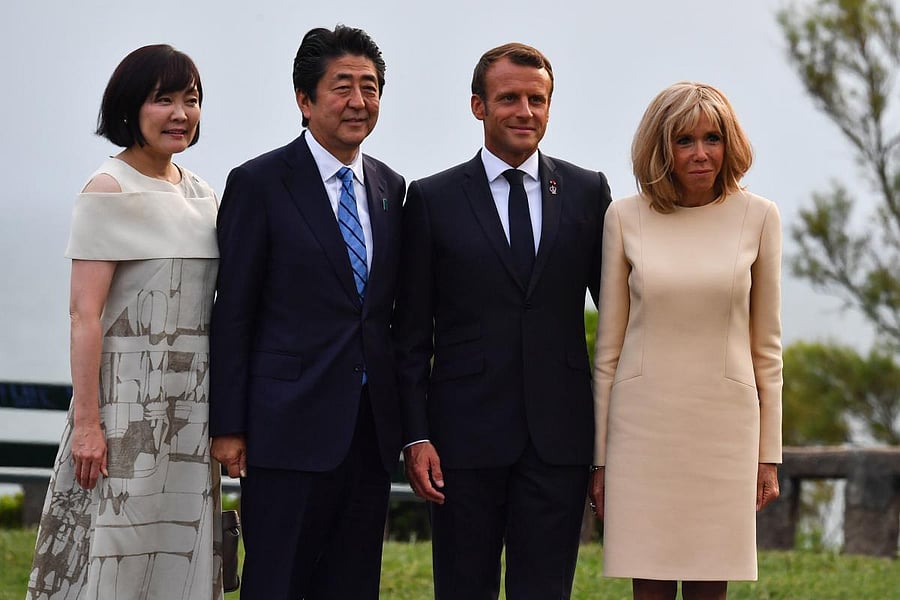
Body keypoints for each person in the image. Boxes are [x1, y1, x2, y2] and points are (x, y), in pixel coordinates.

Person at [393, 42, 612, 599]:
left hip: (559, 439)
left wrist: (612, 443)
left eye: (537, 100)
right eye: (509, 98)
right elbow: (412, 334)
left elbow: (619, 318)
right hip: (461, 441)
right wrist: (416, 434)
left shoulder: (588, 192)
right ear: (478, 106)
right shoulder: (431, 198)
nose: (525, 111)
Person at [208, 25, 405, 599]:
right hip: (284, 428)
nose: (358, 101)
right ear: (304, 99)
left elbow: (385, 316)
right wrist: (229, 426)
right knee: (277, 582)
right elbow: (234, 311)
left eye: (369, 88)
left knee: (353, 584)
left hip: (368, 433)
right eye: (342, 86)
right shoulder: (260, 182)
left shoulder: (391, 188)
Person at [26, 45, 222, 599]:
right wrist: (88, 424)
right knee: (113, 560)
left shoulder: (203, 193)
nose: (181, 114)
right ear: (130, 108)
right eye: (164, 100)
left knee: (180, 555)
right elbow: (83, 315)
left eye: (192, 100)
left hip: (193, 410)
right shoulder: (107, 189)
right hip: (124, 411)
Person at [589, 81, 783, 600]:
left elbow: (767, 348)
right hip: (642, 432)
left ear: (729, 143)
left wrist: (769, 454)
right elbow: (608, 350)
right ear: (662, 148)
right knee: (648, 582)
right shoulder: (624, 217)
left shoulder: (760, 216)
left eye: (712, 138)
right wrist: (601, 458)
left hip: (723, 431)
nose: (701, 154)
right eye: (684, 141)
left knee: (708, 585)